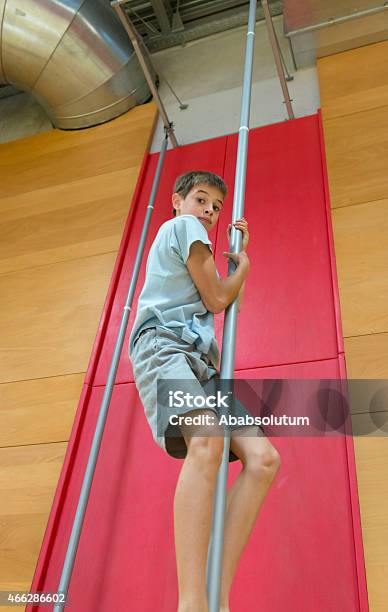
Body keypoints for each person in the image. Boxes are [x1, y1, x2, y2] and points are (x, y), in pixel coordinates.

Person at [129, 171, 281, 612]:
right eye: (201, 199)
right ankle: (192, 603)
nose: (209, 212)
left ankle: (218, 593)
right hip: (164, 347)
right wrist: (244, 269)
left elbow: (216, 301)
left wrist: (238, 264)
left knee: (263, 459)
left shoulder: (194, 241)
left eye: (215, 207)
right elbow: (218, 298)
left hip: (198, 364)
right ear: (177, 200)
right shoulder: (182, 226)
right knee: (209, 441)